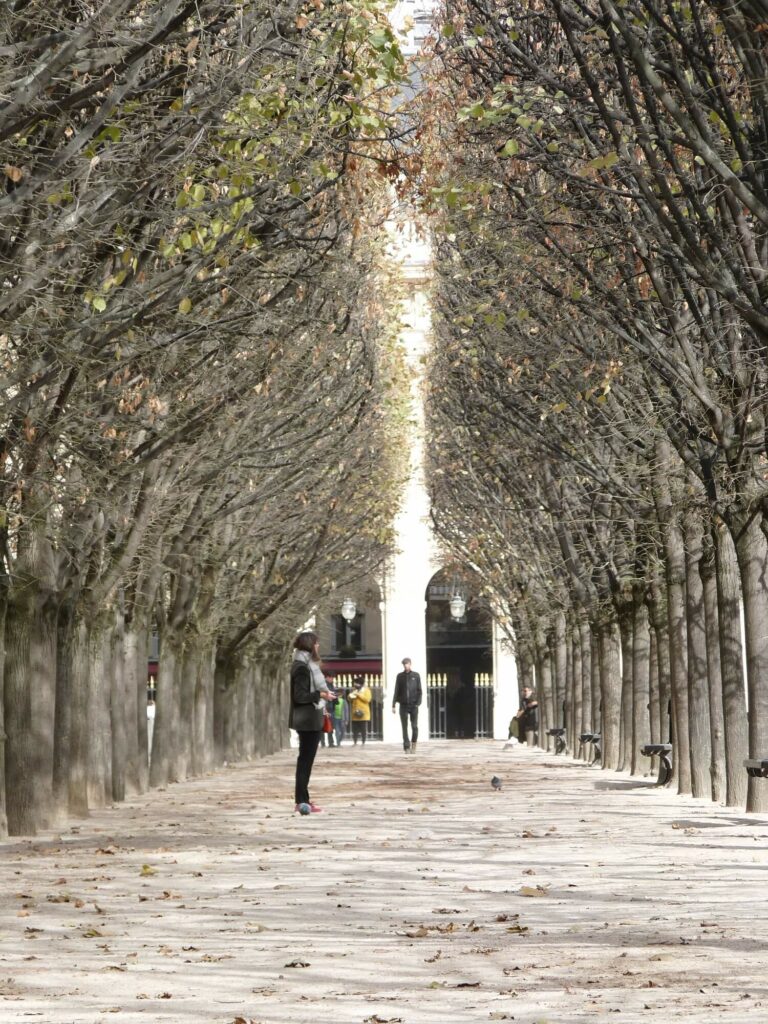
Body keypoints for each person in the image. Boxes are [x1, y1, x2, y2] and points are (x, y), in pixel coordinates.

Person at [289, 631, 336, 812]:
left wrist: (324, 695)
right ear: (310, 645)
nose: (318, 647)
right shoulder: (302, 667)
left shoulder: (306, 665)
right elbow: (300, 696)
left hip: (310, 718)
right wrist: (321, 694)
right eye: (316, 644)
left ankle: (304, 799)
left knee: (306, 761)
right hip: (307, 720)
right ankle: (302, 801)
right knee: (305, 761)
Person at [392, 657, 422, 753]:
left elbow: (419, 690)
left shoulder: (416, 675)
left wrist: (418, 703)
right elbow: (396, 690)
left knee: (414, 726)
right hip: (403, 705)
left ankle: (414, 743)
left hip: (413, 705)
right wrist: (393, 704)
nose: (406, 665)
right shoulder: (400, 676)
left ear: (410, 664)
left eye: (407, 664)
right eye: (404, 664)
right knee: (404, 727)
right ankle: (406, 746)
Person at [347, 675, 372, 745]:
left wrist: (359, 695)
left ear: (361, 684)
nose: (355, 685)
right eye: (355, 683)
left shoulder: (367, 690)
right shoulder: (354, 690)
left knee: (363, 729)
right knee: (355, 729)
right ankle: (355, 741)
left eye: (356, 683)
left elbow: (367, 699)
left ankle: (363, 741)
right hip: (355, 713)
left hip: (363, 713)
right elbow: (349, 699)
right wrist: (350, 696)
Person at [320, 673, 336, 747]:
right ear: (327, 677)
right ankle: (323, 742)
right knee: (323, 725)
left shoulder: (332, 685)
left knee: (331, 726)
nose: (332, 679)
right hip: (324, 707)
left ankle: (331, 742)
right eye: (331, 677)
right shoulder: (323, 685)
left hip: (331, 707)